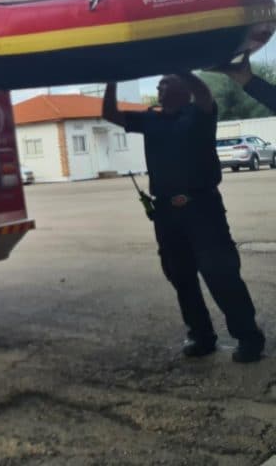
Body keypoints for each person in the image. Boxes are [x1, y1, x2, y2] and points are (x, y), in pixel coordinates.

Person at [102, 74, 265, 363]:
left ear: (183, 87)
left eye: (165, 83)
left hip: (203, 209)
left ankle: (248, 337)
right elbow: (110, 114)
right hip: (166, 213)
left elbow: (204, 95)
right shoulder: (150, 119)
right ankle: (201, 336)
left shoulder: (200, 113)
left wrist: (181, 66)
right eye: (158, 84)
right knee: (181, 276)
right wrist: (111, 80)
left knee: (221, 273)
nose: (158, 87)